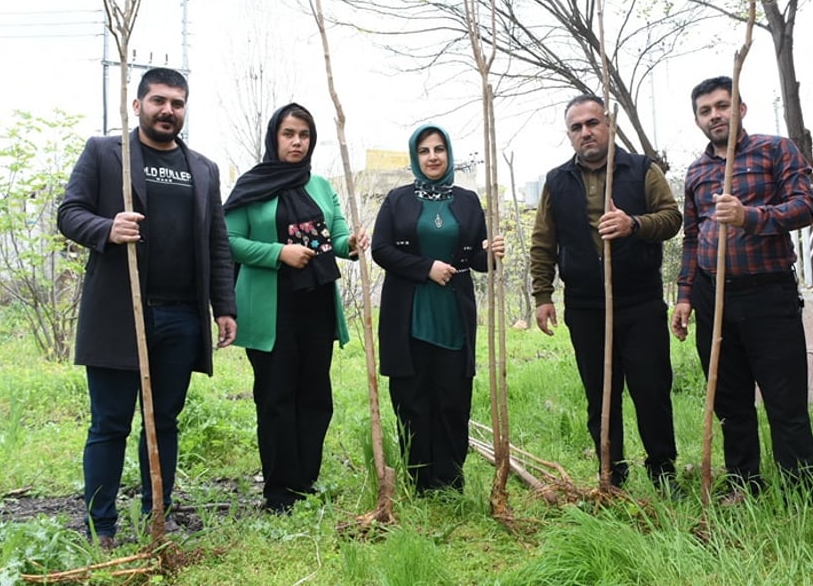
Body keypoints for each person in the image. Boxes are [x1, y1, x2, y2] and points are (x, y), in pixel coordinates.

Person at [57, 67, 238, 547]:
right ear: (137, 106)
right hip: (120, 314)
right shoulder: (105, 153)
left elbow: (217, 242)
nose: (168, 111)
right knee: (110, 422)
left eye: (177, 103)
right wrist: (107, 229)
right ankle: (101, 525)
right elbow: (68, 212)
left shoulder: (202, 168)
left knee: (164, 421)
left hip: (181, 316)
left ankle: (158, 511)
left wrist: (224, 305)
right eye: (158, 101)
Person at [671, 75, 813, 503]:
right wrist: (684, 296)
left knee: (784, 400)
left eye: (722, 105)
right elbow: (694, 237)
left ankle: (799, 493)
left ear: (741, 108)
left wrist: (748, 217)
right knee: (730, 401)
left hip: (768, 294)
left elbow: (805, 205)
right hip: (712, 296)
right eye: (705, 110)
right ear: (698, 119)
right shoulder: (697, 171)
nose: (715, 115)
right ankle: (744, 484)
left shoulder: (775, 150)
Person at [530, 94, 682, 494]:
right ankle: (611, 476)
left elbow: (672, 218)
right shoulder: (556, 181)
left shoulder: (641, 169)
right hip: (586, 305)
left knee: (651, 389)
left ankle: (663, 473)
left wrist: (634, 223)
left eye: (592, 123)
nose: (586, 133)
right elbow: (543, 240)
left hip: (640, 300)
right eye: (577, 127)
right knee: (600, 394)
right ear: (569, 135)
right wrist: (542, 294)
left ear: (609, 124)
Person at [223, 103, 368, 514]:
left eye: (304, 135)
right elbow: (229, 239)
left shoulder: (320, 185)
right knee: (276, 397)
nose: (297, 142)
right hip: (273, 308)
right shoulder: (252, 186)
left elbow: (337, 236)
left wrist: (352, 246)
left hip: (317, 304)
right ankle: (279, 490)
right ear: (274, 137)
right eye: (289, 134)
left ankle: (306, 480)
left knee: (316, 395)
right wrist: (278, 253)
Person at [372, 125, 504, 494]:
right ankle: (420, 480)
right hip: (409, 315)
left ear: (449, 155)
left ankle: (449, 480)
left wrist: (491, 255)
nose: (433, 157)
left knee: (452, 398)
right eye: (425, 151)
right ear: (415, 157)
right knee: (412, 398)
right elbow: (381, 250)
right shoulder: (397, 200)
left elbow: (475, 258)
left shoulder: (466, 201)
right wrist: (426, 268)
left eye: (439, 149)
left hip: (452, 316)